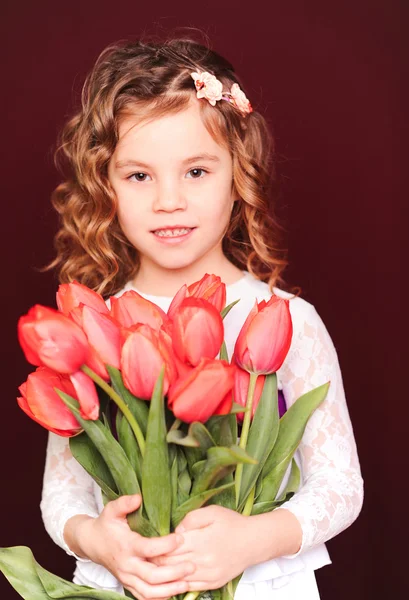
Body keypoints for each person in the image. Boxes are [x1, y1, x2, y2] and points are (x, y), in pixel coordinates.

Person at [39, 34, 364, 600]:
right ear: (105, 185)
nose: (169, 200)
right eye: (139, 175)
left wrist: (252, 540)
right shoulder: (95, 327)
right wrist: (98, 540)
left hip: (258, 584)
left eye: (196, 171)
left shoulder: (286, 321)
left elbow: (342, 486)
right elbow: (61, 494)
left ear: (237, 177)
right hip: (128, 582)